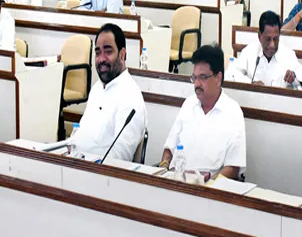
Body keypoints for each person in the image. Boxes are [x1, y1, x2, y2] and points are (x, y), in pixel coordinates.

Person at [159, 44, 246, 180]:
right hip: (176, 182)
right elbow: (169, 149)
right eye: (194, 77)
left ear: (218, 78)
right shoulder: (188, 104)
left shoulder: (233, 112)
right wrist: (163, 170)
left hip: (209, 190)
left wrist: (206, 186)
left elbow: (233, 168)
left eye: (203, 77)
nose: (196, 84)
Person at [70, 23, 147, 160]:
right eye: (98, 52)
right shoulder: (97, 88)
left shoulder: (130, 97)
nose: (101, 59)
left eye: (108, 51)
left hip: (99, 174)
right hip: (75, 163)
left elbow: (120, 157)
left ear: (122, 54)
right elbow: (79, 136)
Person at [227, 11, 302, 90]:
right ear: (259, 36)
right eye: (268, 39)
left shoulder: (288, 54)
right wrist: (251, 84)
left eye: (275, 39)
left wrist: (294, 78)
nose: (272, 45)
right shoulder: (250, 51)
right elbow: (231, 74)